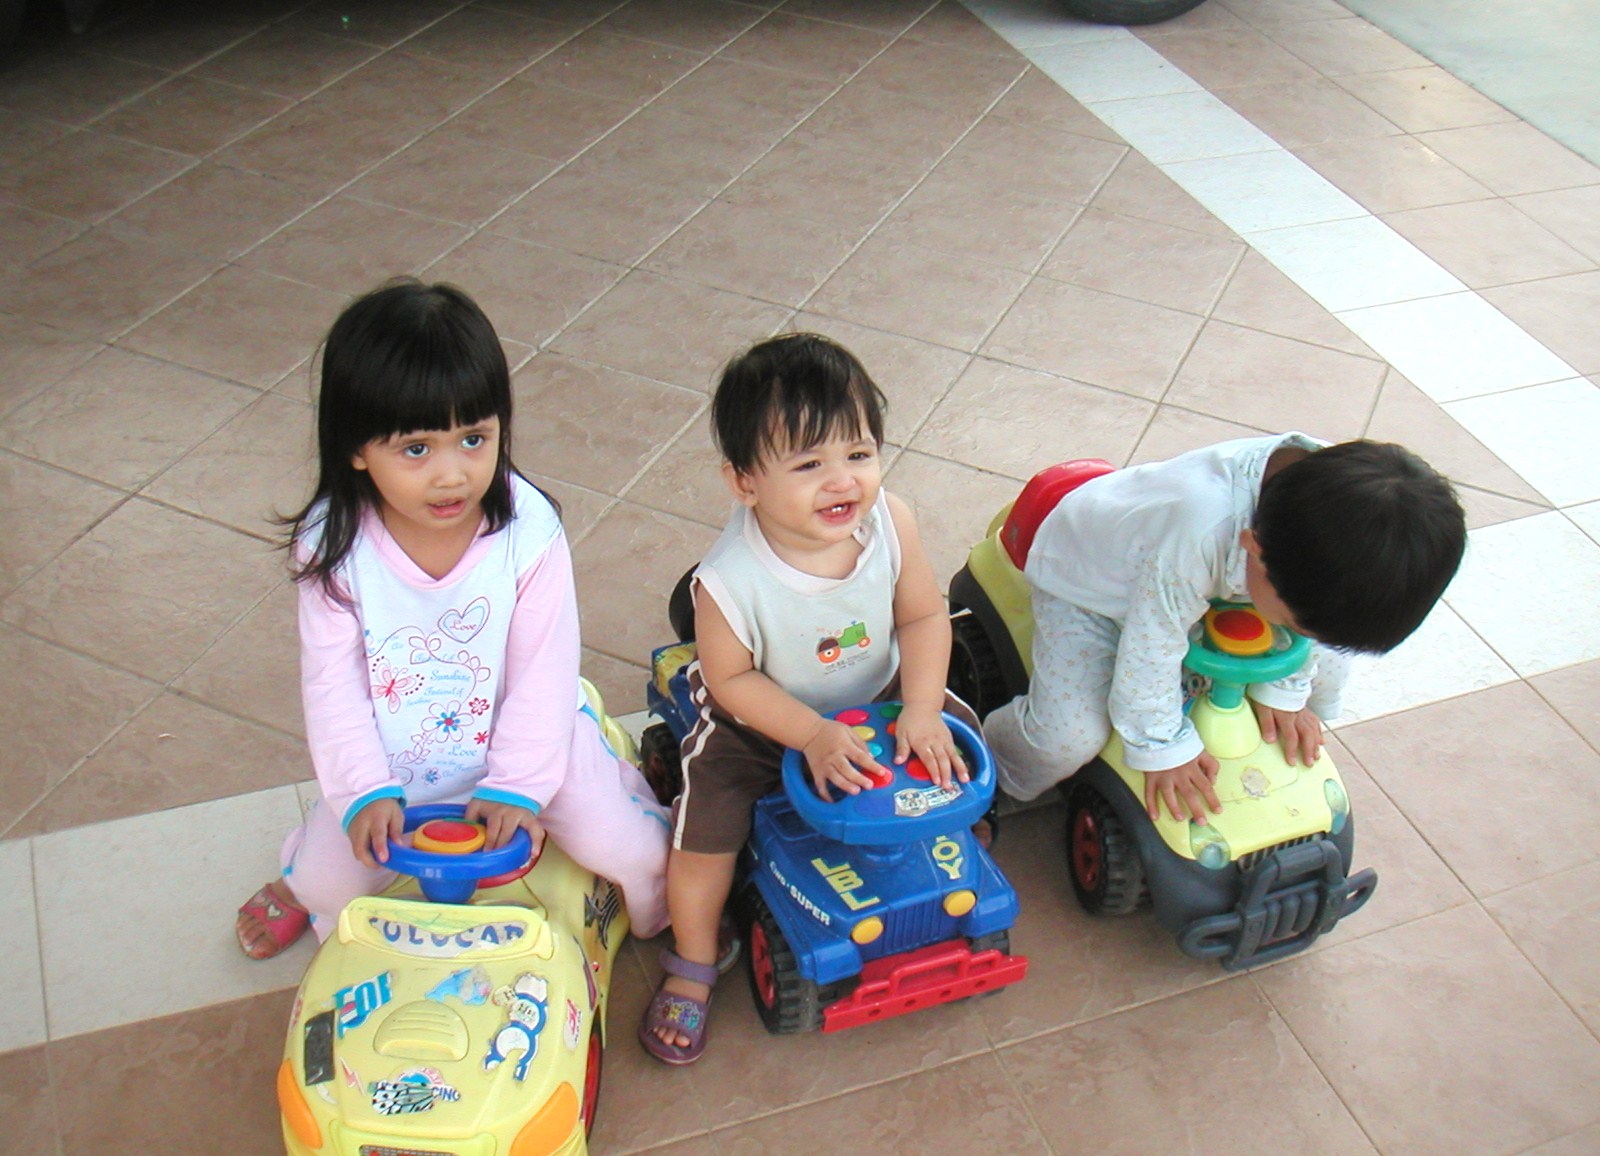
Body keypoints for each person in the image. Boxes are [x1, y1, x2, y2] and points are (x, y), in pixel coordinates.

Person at [235, 278, 671, 959]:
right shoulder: (331, 548)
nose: (452, 475)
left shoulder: (529, 531)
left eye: (474, 439)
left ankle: (669, 876)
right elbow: (331, 685)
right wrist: (364, 791)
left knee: (631, 849)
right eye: (416, 449)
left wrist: (520, 785)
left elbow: (545, 667)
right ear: (356, 448)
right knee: (326, 880)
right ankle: (295, 881)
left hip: (531, 745)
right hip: (399, 763)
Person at [640, 332, 977, 1065]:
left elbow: (922, 616)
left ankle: (957, 859)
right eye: (809, 464)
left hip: (881, 693)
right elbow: (732, 682)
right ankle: (694, 961)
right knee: (706, 827)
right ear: (744, 482)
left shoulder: (893, 521)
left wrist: (919, 709)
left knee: (964, 737)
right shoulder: (728, 581)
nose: (843, 482)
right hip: (760, 721)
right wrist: (810, 735)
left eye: (858, 455)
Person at [982, 434, 1467, 824]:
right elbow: (1150, 648)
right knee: (1070, 736)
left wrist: (1289, 688)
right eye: (1295, 625)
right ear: (1254, 551)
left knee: (1329, 671)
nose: (1304, 637)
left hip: (1196, 582)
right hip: (1094, 582)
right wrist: (1162, 746)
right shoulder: (1197, 534)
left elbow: (1313, 616)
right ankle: (988, 771)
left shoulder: (1333, 505)